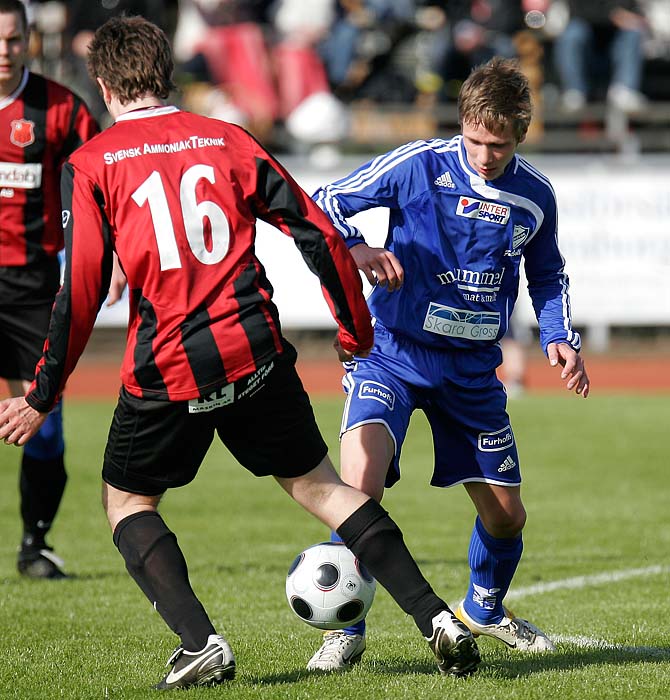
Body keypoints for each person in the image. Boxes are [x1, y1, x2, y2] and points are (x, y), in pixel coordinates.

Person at [0, 16, 481, 689]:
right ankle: (436, 617)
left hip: (166, 366)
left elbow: (79, 295)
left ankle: (201, 643)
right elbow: (318, 234)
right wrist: (354, 336)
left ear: (104, 83)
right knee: (323, 489)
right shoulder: (226, 138)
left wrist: (41, 394)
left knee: (128, 505)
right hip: (253, 353)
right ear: (166, 73)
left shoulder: (93, 162)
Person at [307, 56, 590, 672]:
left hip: (470, 372)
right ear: (461, 124)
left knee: (507, 514)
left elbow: (547, 272)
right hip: (392, 355)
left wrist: (557, 335)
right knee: (359, 485)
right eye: (476, 140)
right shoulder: (418, 164)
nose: (486, 155)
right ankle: (344, 627)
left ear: (521, 134)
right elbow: (323, 199)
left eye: (500, 144)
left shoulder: (534, 195)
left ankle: (485, 609)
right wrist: (356, 245)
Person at [0, 0, 98, 579]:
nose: (3, 50)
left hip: (35, 287)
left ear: (30, 41)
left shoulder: (59, 108)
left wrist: (108, 259)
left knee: (45, 421)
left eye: (13, 39)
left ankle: (34, 544)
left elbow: (99, 182)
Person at [553, 0, 648, 113]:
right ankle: (574, 91)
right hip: (587, 43)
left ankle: (624, 90)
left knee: (633, 32)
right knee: (571, 34)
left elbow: (633, 11)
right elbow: (577, 12)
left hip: (616, 44)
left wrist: (633, 19)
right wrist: (612, 15)